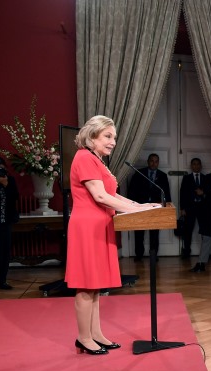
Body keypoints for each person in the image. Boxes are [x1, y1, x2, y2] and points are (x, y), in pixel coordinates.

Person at [65, 115, 160, 354]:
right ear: (92, 136)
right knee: (86, 286)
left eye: (114, 137)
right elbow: (99, 196)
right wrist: (136, 208)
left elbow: (112, 196)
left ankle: (96, 334)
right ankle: (83, 338)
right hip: (88, 228)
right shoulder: (84, 157)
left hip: (101, 225)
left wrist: (140, 207)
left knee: (95, 285)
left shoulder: (96, 160)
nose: (113, 142)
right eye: (108, 136)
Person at [128, 153, 171, 261]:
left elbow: (166, 192)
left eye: (156, 161)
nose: (153, 163)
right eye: (151, 161)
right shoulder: (139, 173)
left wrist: (167, 206)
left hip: (156, 207)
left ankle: (153, 255)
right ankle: (139, 255)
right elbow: (132, 190)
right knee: (139, 232)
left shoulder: (162, 175)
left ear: (158, 163)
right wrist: (131, 205)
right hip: (140, 206)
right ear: (148, 162)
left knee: (154, 233)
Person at [0, 157, 20, 290]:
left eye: (2, 168)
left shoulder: (10, 180)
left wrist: (6, 185)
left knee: (4, 252)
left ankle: (2, 280)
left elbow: (15, 197)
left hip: (5, 222)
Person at [179, 157, 206, 259]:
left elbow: (208, 192)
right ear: (191, 166)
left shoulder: (205, 178)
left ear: (201, 166)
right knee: (188, 230)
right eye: (194, 164)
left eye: (198, 164)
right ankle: (186, 252)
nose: (196, 166)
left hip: (202, 208)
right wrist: (182, 208)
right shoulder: (186, 178)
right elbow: (182, 193)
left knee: (204, 230)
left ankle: (206, 251)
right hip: (190, 208)